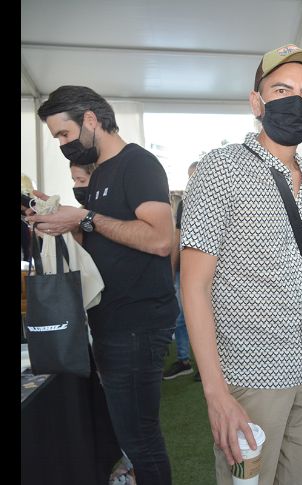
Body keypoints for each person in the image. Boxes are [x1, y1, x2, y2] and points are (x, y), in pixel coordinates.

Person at [180, 44, 302, 485]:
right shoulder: (220, 169)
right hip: (251, 372)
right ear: (257, 101)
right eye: (282, 89)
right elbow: (193, 286)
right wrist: (215, 392)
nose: (297, 101)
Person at [29, 85, 179, 485]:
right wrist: (55, 218)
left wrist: (84, 217)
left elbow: (160, 239)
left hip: (136, 322)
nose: (63, 145)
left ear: (91, 120)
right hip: (111, 319)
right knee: (130, 431)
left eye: (64, 134)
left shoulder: (137, 165)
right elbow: (98, 241)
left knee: (139, 435)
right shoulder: (99, 174)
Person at [163, 161, 199, 381]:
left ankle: (213, 367)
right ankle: (184, 360)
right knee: (181, 319)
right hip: (183, 272)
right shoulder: (184, 204)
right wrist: (172, 269)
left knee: (208, 318)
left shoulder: (220, 202)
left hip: (209, 274)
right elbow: (177, 238)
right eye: (190, 177)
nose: (193, 182)